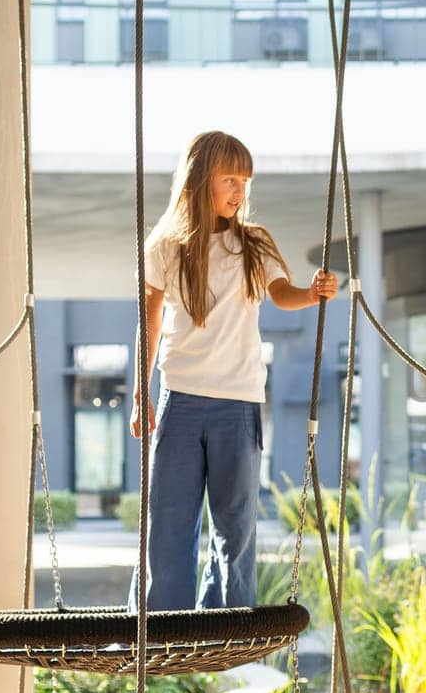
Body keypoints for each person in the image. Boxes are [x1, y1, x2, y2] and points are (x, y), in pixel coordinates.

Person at [128, 130, 337, 611]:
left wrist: (310, 293)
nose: (239, 189)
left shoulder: (255, 244)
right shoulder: (165, 246)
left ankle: (226, 621)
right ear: (201, 180)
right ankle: (160, 624)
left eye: (245, 179)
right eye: (229, 178)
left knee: (235, 523)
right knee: (169, 520)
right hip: (178, 399)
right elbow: (150, 322)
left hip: (238, 402)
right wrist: (143, 391)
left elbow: (280, 292)